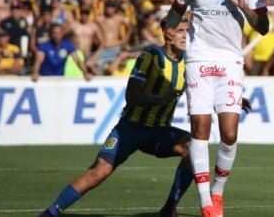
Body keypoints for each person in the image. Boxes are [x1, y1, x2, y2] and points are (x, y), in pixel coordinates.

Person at [163, 0, 270, 217]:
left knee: (230, 134)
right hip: (199, 59)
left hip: (231, 61)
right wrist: (169, 28)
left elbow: (263, 27)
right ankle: (205, 202)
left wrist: (243, 6)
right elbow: (175, 12)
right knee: (200, 129)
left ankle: (218, 191)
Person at [38, 20, 193, 217]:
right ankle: (50, 213)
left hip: (159, 131)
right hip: (131, 129)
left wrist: (232, 102)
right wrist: (160, 100)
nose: (185, 35)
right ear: (168, 35)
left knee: (193, 147)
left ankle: (170, 208)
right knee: (97, 173)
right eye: (180, 31)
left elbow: (204, 88)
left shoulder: (190, 62)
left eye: (188, 31)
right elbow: (132, 96)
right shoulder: (150, 57)